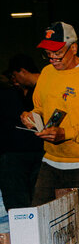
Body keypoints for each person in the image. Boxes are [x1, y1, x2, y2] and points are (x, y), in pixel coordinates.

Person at [20, 23, 79, 243]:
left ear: (74, 48)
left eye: (58, 52)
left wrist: (67, 133)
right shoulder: (46, 73)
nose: (52, 57)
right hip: (52, 162)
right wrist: (31, 117)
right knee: (40, 222)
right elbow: (40, 107)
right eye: (48, 52)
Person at [1, 55, 44, 209]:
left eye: (15, 75)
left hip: (35, 154)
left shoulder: (42, 90)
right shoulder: (12, 93)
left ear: (23, 71)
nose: (14, 80)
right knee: (19, 203)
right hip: (17, 155)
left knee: (36, 200)